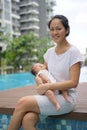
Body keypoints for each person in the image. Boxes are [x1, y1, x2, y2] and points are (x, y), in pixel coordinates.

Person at [8, 15, 83, 130]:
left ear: (67, 30)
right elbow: (44, 74)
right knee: (27, 120)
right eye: (52, 29)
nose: (55, 32)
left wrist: (48, 86)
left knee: (22, 102)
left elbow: (73, 83)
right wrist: (39, 82)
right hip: (50, 96)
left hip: (66, 99)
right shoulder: (49, 53)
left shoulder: (74, 52)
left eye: (58, 28)